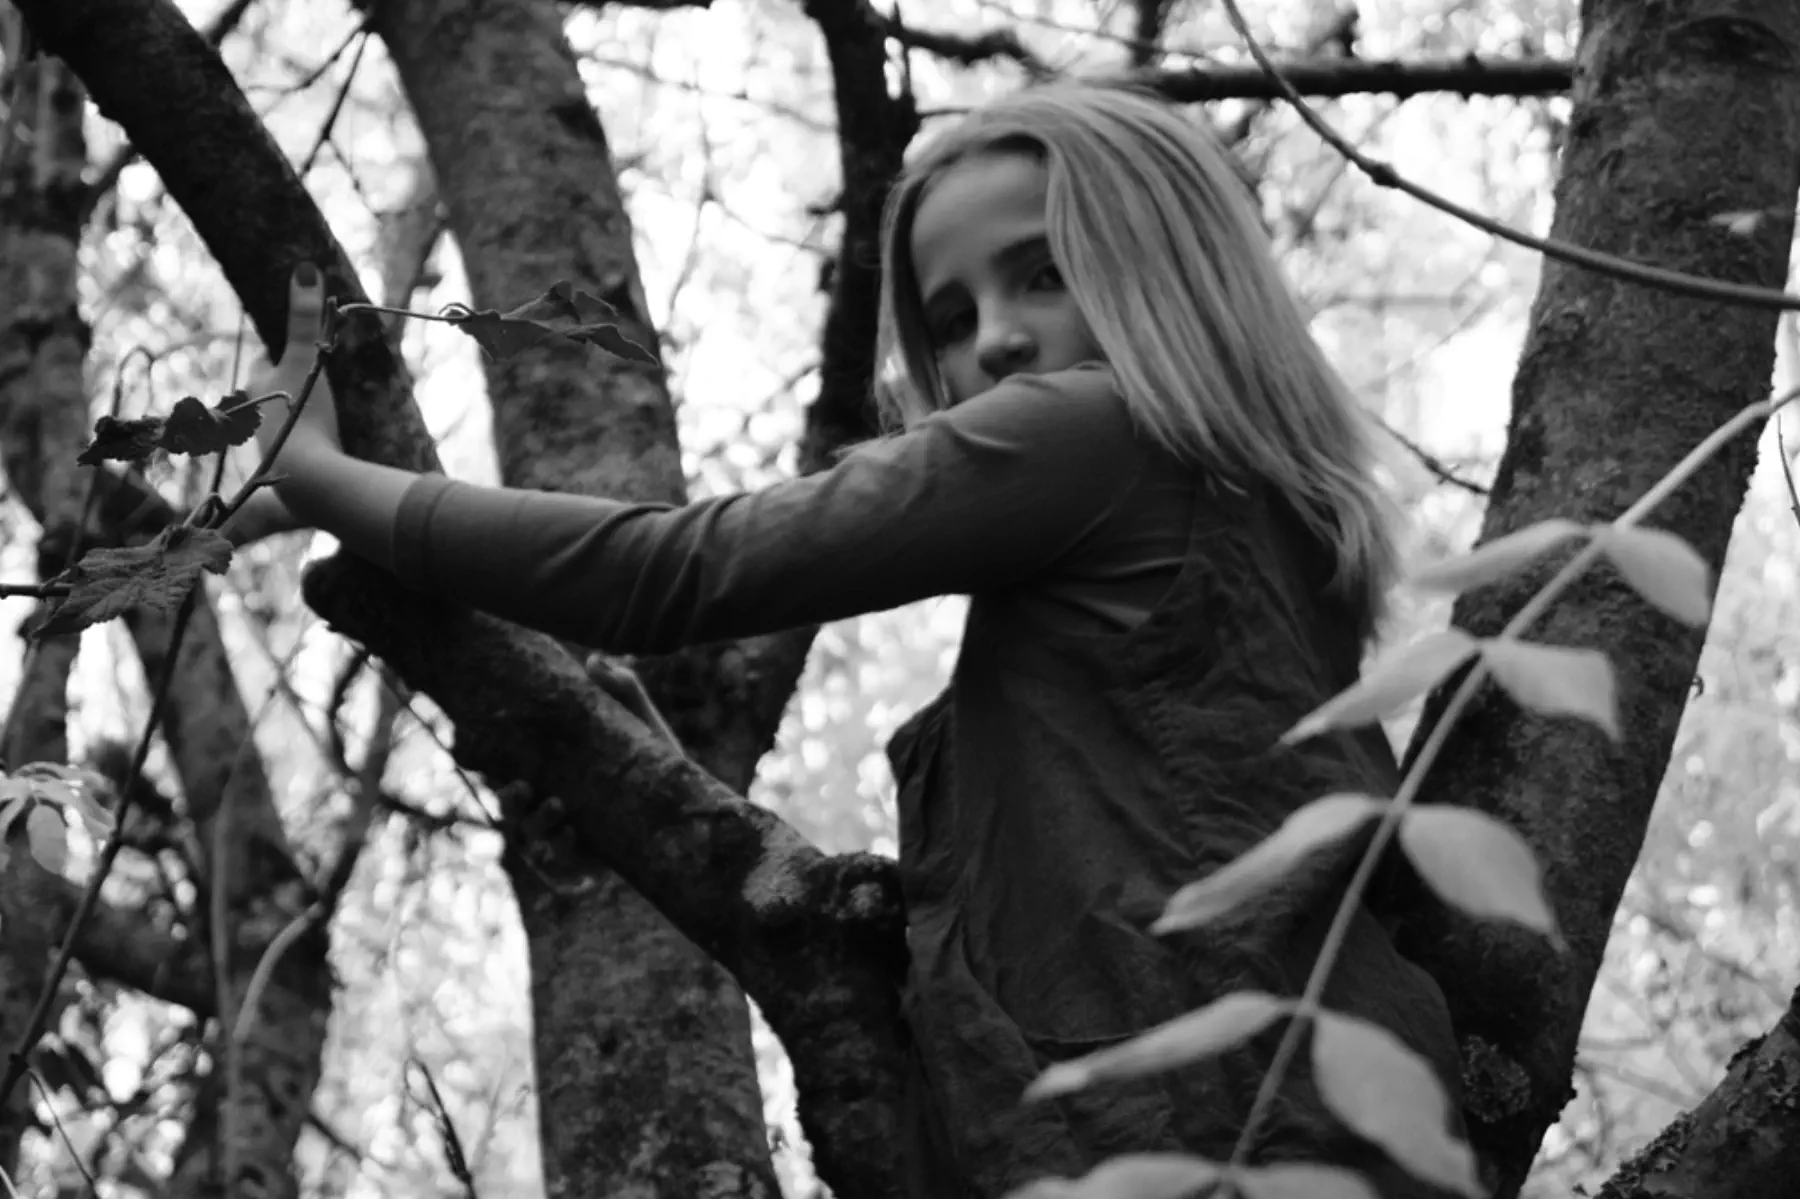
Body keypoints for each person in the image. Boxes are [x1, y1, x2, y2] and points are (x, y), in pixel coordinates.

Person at [237, 82, 1462, 1197]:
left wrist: (325, 479)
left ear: (1174, 265)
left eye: (1044, 273)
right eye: (953, 316)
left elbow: (665, 572)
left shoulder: (1095, 429)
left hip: (1183, 1130)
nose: (996, 339)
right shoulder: (1274, 525)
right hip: (1312, 1116)